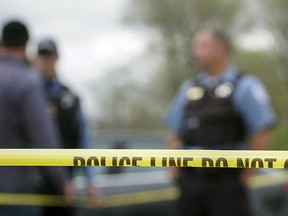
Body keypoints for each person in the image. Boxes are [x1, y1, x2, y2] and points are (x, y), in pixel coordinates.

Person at [165, 28, 276, 216]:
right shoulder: (189, 88)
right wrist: (175, 172)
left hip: (228, 183)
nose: (196, 52)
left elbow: (262, 132)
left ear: (221, 48)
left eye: (203, 45)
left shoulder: (245, 86)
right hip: (191, 183)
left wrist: (244, 178)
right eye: (195, 46)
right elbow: (173, 132)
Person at [0, 20, 71, 216]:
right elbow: (44, 139)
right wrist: (62, 181)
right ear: (26, 47)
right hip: (15, 194)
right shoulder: (25, 84)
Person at [33, 38, 102, 216]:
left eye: (49, 56)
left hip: (65, 185)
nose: (46, 60)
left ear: (57, 57)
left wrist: (90, 181)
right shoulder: (27, 94)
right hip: (30, 183)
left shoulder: (69, 97)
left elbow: (83, 138)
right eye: (42, 56)